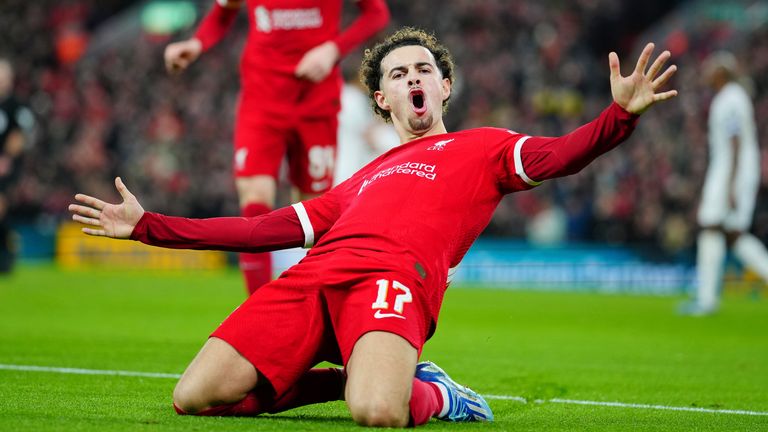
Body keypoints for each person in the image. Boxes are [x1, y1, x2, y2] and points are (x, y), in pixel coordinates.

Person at [69, 28, 677, 427]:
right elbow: (261, 231)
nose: (411, 78)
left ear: (443, 86)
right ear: (382, 99)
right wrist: (150, 226)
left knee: (378, 412)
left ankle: (440, 395)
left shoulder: (485, 148)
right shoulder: (363, 178)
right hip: (314, 279)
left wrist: (617, 118)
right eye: (396, 74)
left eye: (422, 70)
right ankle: (344, 380)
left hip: (392, 281)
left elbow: (560, 154)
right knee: (194, 397)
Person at [163, 0, 390, 294]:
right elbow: (223, 12)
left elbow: (376, 13)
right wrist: (197, 43)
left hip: (316, 103)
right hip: (261, 102)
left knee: (316, 211)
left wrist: (333, 49)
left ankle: (313, 307)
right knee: (255, 203)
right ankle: (256, 315)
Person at [681, 51, 768, 316]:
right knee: (730, 234)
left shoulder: (730, 99)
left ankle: (707, 300)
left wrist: (731, 184)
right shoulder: (733, 97)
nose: (706, 75)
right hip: (734, 170)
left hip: (732, 171)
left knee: (712, 227)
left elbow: (735, 140)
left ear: (721, 72)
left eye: (711, 70)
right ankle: (706, 298)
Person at [0, 58, 34, 274]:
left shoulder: (16, 106)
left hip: (6, 166)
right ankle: (8, 245)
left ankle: (7, 252)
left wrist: (5, 158)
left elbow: (18, 137)